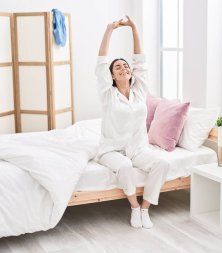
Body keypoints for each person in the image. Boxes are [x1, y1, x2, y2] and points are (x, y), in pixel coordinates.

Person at [95, 16, 169, 229]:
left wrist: (134, 28)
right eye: (117, 67)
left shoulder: (140, 91)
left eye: (125, 66)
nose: (123, 68)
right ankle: (134, 207)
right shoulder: (107, 94)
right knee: (125, 167)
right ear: (111, 75)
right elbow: (101, 61)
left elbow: (140, 60)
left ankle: (146, 208)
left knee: (162, 164)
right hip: (112, 151)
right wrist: (109, 30)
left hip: (138, 149)